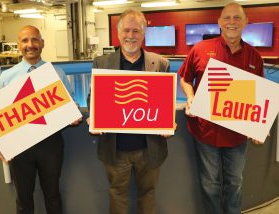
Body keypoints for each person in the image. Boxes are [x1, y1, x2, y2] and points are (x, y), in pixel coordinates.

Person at [178, 3, 264, 214]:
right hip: (205, 131)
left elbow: (260, 96)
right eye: (227, 18)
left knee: (234, 183)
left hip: (237, 135)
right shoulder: (199, 49)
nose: (232, 22)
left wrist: (259, 126)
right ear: (219, 22)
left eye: (237, 18)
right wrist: (190, 97)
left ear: (245, 22)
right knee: (210, 184)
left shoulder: (255, 57)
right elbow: (185, 79)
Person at [86, 9, 172, 214]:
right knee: (117, 194)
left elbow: (164, 102)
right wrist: (94, 115)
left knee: (148, 193)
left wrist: (168, 121)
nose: (131, 36)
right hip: (116, 148)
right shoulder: (102, 63)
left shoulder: (160, 63)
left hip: (149, 148)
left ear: (143, 34)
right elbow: (93, 96)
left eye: (136, 31)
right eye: (126, 30)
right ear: (118, 33)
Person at [0, 25, 81, 214]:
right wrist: (0, 142)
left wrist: (72, 114)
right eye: (25, 40)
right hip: (20, 147)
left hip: (50, 144)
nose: (30, 45)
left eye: (35, 40)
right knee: (23, 198)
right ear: (19, 45)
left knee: (52, 195)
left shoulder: (57, 73)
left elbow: (71, 103)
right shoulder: (6, 77)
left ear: (42, 43)